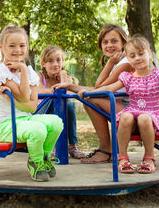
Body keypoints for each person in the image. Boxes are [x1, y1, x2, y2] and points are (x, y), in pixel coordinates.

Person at [91, 35, 159, 173]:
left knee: (144, 117)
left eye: (141, 54)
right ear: (128, 59)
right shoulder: (127, 77)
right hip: (133, 113)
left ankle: (149, 158)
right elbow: (110, 88)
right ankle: (122, 157)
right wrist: (92, 93)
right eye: (133, 56)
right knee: (125, 116)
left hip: (152, 115)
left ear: (149, 54)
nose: (138, 58)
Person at [0, 25, 63, 182]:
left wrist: (13, 99)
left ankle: (43, 157)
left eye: (22, 45)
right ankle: (36, 163)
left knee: (57, 122)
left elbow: (32, 106)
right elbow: (25, 97)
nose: (18, 50)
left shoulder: (30, 71)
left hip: (26, 119)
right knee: (38, 129)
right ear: (1, 47)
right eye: (12, 46)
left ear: (27, 47)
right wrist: (23, 69)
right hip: (6, 126)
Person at [53, 24, 132, 163]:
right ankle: (107, 150)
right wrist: (70, 86)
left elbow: (98, 87)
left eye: (114, 41)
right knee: (89, 98)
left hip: (137, 114)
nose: (109, 45)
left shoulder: (125, 63)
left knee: (90, 99)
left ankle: (106, 150)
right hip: (128, 110)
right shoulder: (119, 63)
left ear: (124, 43)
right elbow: (100, 89)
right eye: (105, 42)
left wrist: (109, 63)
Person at [37, 45, 85, 159]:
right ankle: (53, 146)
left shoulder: (64, 75)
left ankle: (72, 145)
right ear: (43, 63)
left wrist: (63, 76)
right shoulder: (39, 76)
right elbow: (38, 91)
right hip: (41, 111)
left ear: (62, 62)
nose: (55, 64)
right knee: (57, 101)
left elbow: (67, 95)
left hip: (60, 109)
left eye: (58, 60)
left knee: (68, 105)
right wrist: (53, 91)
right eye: (50, 61)